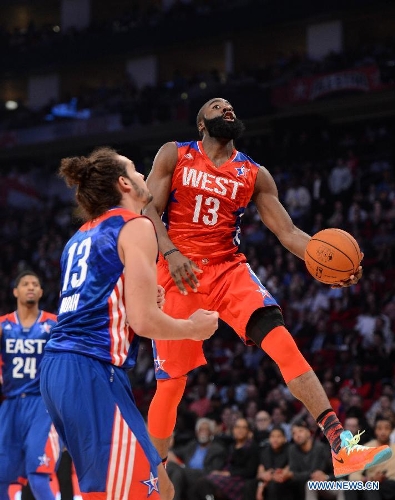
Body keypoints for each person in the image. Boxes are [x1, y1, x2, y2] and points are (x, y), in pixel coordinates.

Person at [143, 97, 392, 478]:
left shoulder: (254, 174)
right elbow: (148, 211)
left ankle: (341, 445)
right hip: (179, 272)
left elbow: (289, 232)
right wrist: (171, 253)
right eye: (216, 106)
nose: (227, 108)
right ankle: (152, 473)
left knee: (283, 343)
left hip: (228, 270)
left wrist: (327, 260)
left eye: (230, 106)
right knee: (172, 384)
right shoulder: (174, 155)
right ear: (200, 124)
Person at [39, 147, 219, 500]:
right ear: (124, 183)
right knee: (144, 491)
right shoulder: (135, 224)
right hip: (90, 369)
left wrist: (133, 299)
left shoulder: (79, 237)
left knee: (148, 488)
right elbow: (143, 320)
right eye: (136, 170)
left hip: (62, 369)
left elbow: (96, 306)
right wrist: (192, 328)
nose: (142, 175)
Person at [0, 271, 59, 500]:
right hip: (10, 404)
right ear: (16, 291)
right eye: (25, 284)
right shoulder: (4, 325)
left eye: (35, 283)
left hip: (42, 406)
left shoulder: (54, 324)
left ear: (42, 292)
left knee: (38, 473)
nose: (31, 287)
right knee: (3, 478)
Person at [189, 417, 260, 500]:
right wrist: (221, 472)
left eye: (243, 427)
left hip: (240, 479)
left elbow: (250, 470)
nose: (240, 430)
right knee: (197, 486)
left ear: (248, 431)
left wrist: (229, 473)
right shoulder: (232, 446)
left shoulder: (252, 446)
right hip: (228, 477)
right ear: (233, 430)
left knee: (204, 482)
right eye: (237, 427)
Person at [166, 417, 227, 500]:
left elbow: (213, 470)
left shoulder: (217, 449)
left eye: (206, 430)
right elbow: (176, 452)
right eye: (200, 430)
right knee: (170, 465)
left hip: (203, 475)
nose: (203, 433)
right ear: (197, 432)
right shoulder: (192, 445)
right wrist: (168, 450)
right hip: (186, 473)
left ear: (211, 432)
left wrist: (183, 467)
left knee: (177, 472)